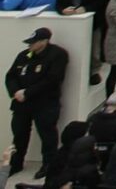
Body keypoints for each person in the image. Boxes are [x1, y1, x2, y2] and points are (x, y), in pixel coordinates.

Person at [5, 24, 69, 181]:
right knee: (19, 133)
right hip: (22, 103)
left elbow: (52, 80)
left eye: (33, 42)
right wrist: (15, 92)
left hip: (45, 103)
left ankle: (48, 164)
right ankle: (16, 163)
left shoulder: (57, 55)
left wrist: (27, 92)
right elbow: (11, 76)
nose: (30, 45)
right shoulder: (24, 55)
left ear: (44, 41)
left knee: (47, 135)